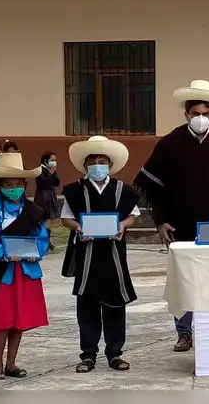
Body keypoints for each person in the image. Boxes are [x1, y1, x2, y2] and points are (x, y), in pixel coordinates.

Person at [134, 79, 209, 352]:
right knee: (184, 280)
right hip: (180, 222)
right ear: (186, 114)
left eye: (205, 113)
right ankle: (184, 332)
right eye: (195, 113)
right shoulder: (169, 144)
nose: (200, 118)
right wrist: (161, 220)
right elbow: (154, 188)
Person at [61, 136, 139, 373]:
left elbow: (133, 215)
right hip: (87, 254)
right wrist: (78, 227)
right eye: (92, 160)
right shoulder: (74, 190)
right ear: (85, 165)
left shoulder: (123, 190)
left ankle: (115, 353)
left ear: (109, 163)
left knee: (115, 303)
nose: (96, 163)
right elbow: (66, 218)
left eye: (101, 159)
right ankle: (88, 354)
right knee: (87, 305)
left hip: (114, 254)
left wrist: (123, 225)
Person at [0, 153, 50, 380]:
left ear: (25, 185)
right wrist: (4, 254)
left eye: (18, 184)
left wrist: (35, 253)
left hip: (25, 271)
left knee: (19, 320)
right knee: (2, 320)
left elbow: (42, 237)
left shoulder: (33, 210)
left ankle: (11, 363)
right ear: (1, 186)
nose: (13, 188)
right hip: (2, 271)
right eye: (8, 185)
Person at [35, 152, 62, 250]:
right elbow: (43, 182)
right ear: (46, 161)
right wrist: (50, 174)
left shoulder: (52, 171)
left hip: (51, 196)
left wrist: (53, 173)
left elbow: (57, 183)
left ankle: (47, 240)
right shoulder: (40, 170)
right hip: (42, 196)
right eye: (52, 160)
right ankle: (42, 241)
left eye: (55, 160)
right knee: (43, 219)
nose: (54, 162)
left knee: (50, 219)